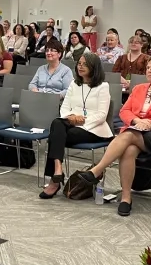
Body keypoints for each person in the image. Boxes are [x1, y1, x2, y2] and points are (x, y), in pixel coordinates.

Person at [79, 56, 151, 217]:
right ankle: (126, 198)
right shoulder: (139, 89)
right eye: (148, 67)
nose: (149, 70)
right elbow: (124, 111)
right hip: (136, 131)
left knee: (128, 135)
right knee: (129, 150)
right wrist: (137, 120)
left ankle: (97, 170)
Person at [39, 53, 113, 199]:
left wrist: (81, 121)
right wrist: (71, 118)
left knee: (55, 135)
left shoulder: (103, 87)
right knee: (57, 123)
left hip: (93, 129)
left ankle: (54, 179)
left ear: (94, 67)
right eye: (79, 63)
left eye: (85, 64)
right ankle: (58, 170)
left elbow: (102, 115)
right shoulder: (74, 84)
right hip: (71, 124)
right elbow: (64, 108)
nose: (80, 66)